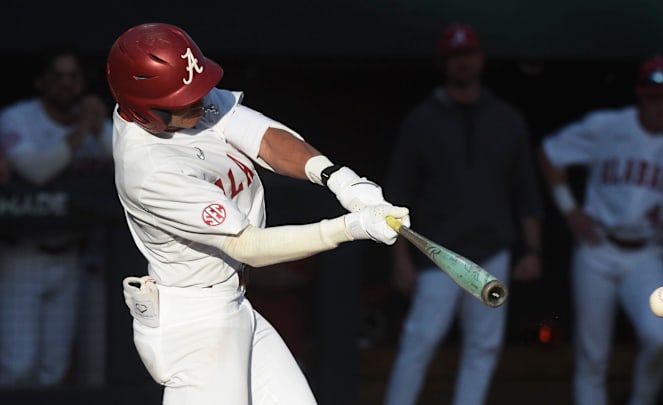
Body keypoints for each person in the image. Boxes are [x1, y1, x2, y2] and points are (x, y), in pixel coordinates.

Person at [106, 22, 410, 405]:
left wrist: (341, 180)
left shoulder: (184, 100)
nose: (200, 101)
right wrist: (350, 227)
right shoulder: (149, 168)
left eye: (199, 88)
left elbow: (264, 137)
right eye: (185, 98)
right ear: (146, 110)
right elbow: (248, 246)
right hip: (194, 325)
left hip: (231, 304)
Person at [537, 56, 663, 405]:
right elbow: (549, 152)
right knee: (593, 355)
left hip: (648, 255)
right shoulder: (610, 126)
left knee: (659, 338)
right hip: (597, 247)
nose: (660, 105)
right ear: (640, 95)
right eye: (653, 96)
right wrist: (570, 210)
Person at [382, 23, 543, 405]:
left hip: (493, 251)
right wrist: (399, 257)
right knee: (419, 342)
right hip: (438, 253)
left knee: (483, 349)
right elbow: (395, 195)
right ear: (444, 63)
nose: (464, 63)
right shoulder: (421, 120)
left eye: (468, 55)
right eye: (456, 57)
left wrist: (533, 250)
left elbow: (526, 189)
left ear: (481, 59)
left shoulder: (506, 118)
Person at [0, 46, 113, 387]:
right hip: (23, 256)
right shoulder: (19, 117)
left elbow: (128, 165)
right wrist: (80, 131)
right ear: (41, 81)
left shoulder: (92, 120)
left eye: (73, 77)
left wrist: (98, 128)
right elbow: (35, 172)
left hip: (72, 256)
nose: (66, 84)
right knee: (18, 368)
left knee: (54, 369)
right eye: (58, 76)